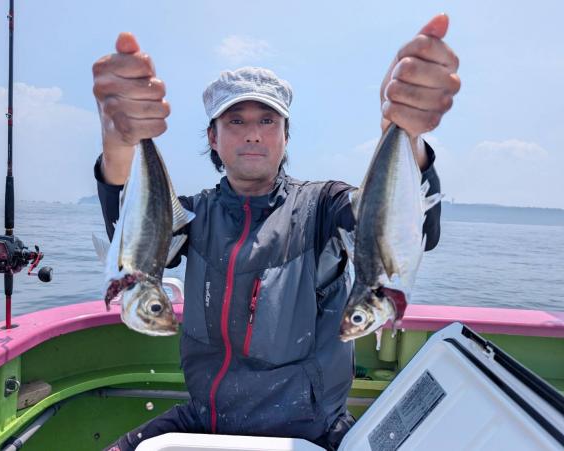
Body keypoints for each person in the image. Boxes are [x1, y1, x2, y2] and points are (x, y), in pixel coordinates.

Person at [93, 14, 460, 451]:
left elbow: (408, 230)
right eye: (236, 121)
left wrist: (406, 135)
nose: (253, 134)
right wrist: (119, 140)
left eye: (268, 121)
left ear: (286, 136)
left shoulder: (325, 206)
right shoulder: (193, 216)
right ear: (213, 138)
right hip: (205, 419)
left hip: (311, 430)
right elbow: (129, 230)